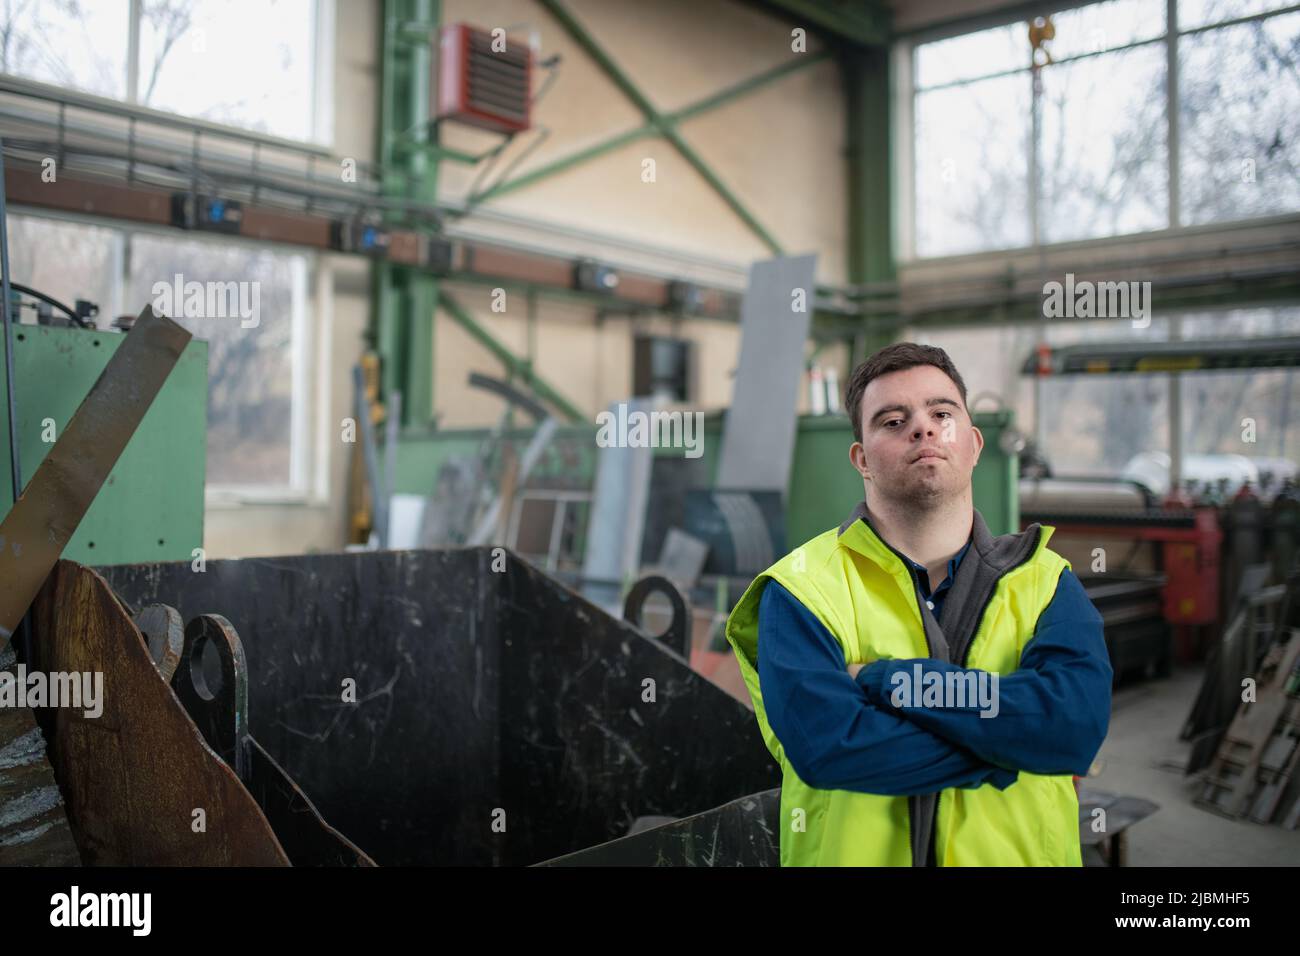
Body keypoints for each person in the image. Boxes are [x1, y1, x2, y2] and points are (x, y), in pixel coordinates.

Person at [726, 342, 1112, 866]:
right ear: (861, 458)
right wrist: (1010, 749)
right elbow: (830, 749)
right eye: (892, 420)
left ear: (974, 445)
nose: (923, 429)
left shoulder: (1045, 581)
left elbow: (1073, 728)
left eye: (942, 413)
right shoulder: (799, 590)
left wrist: (886, 681)